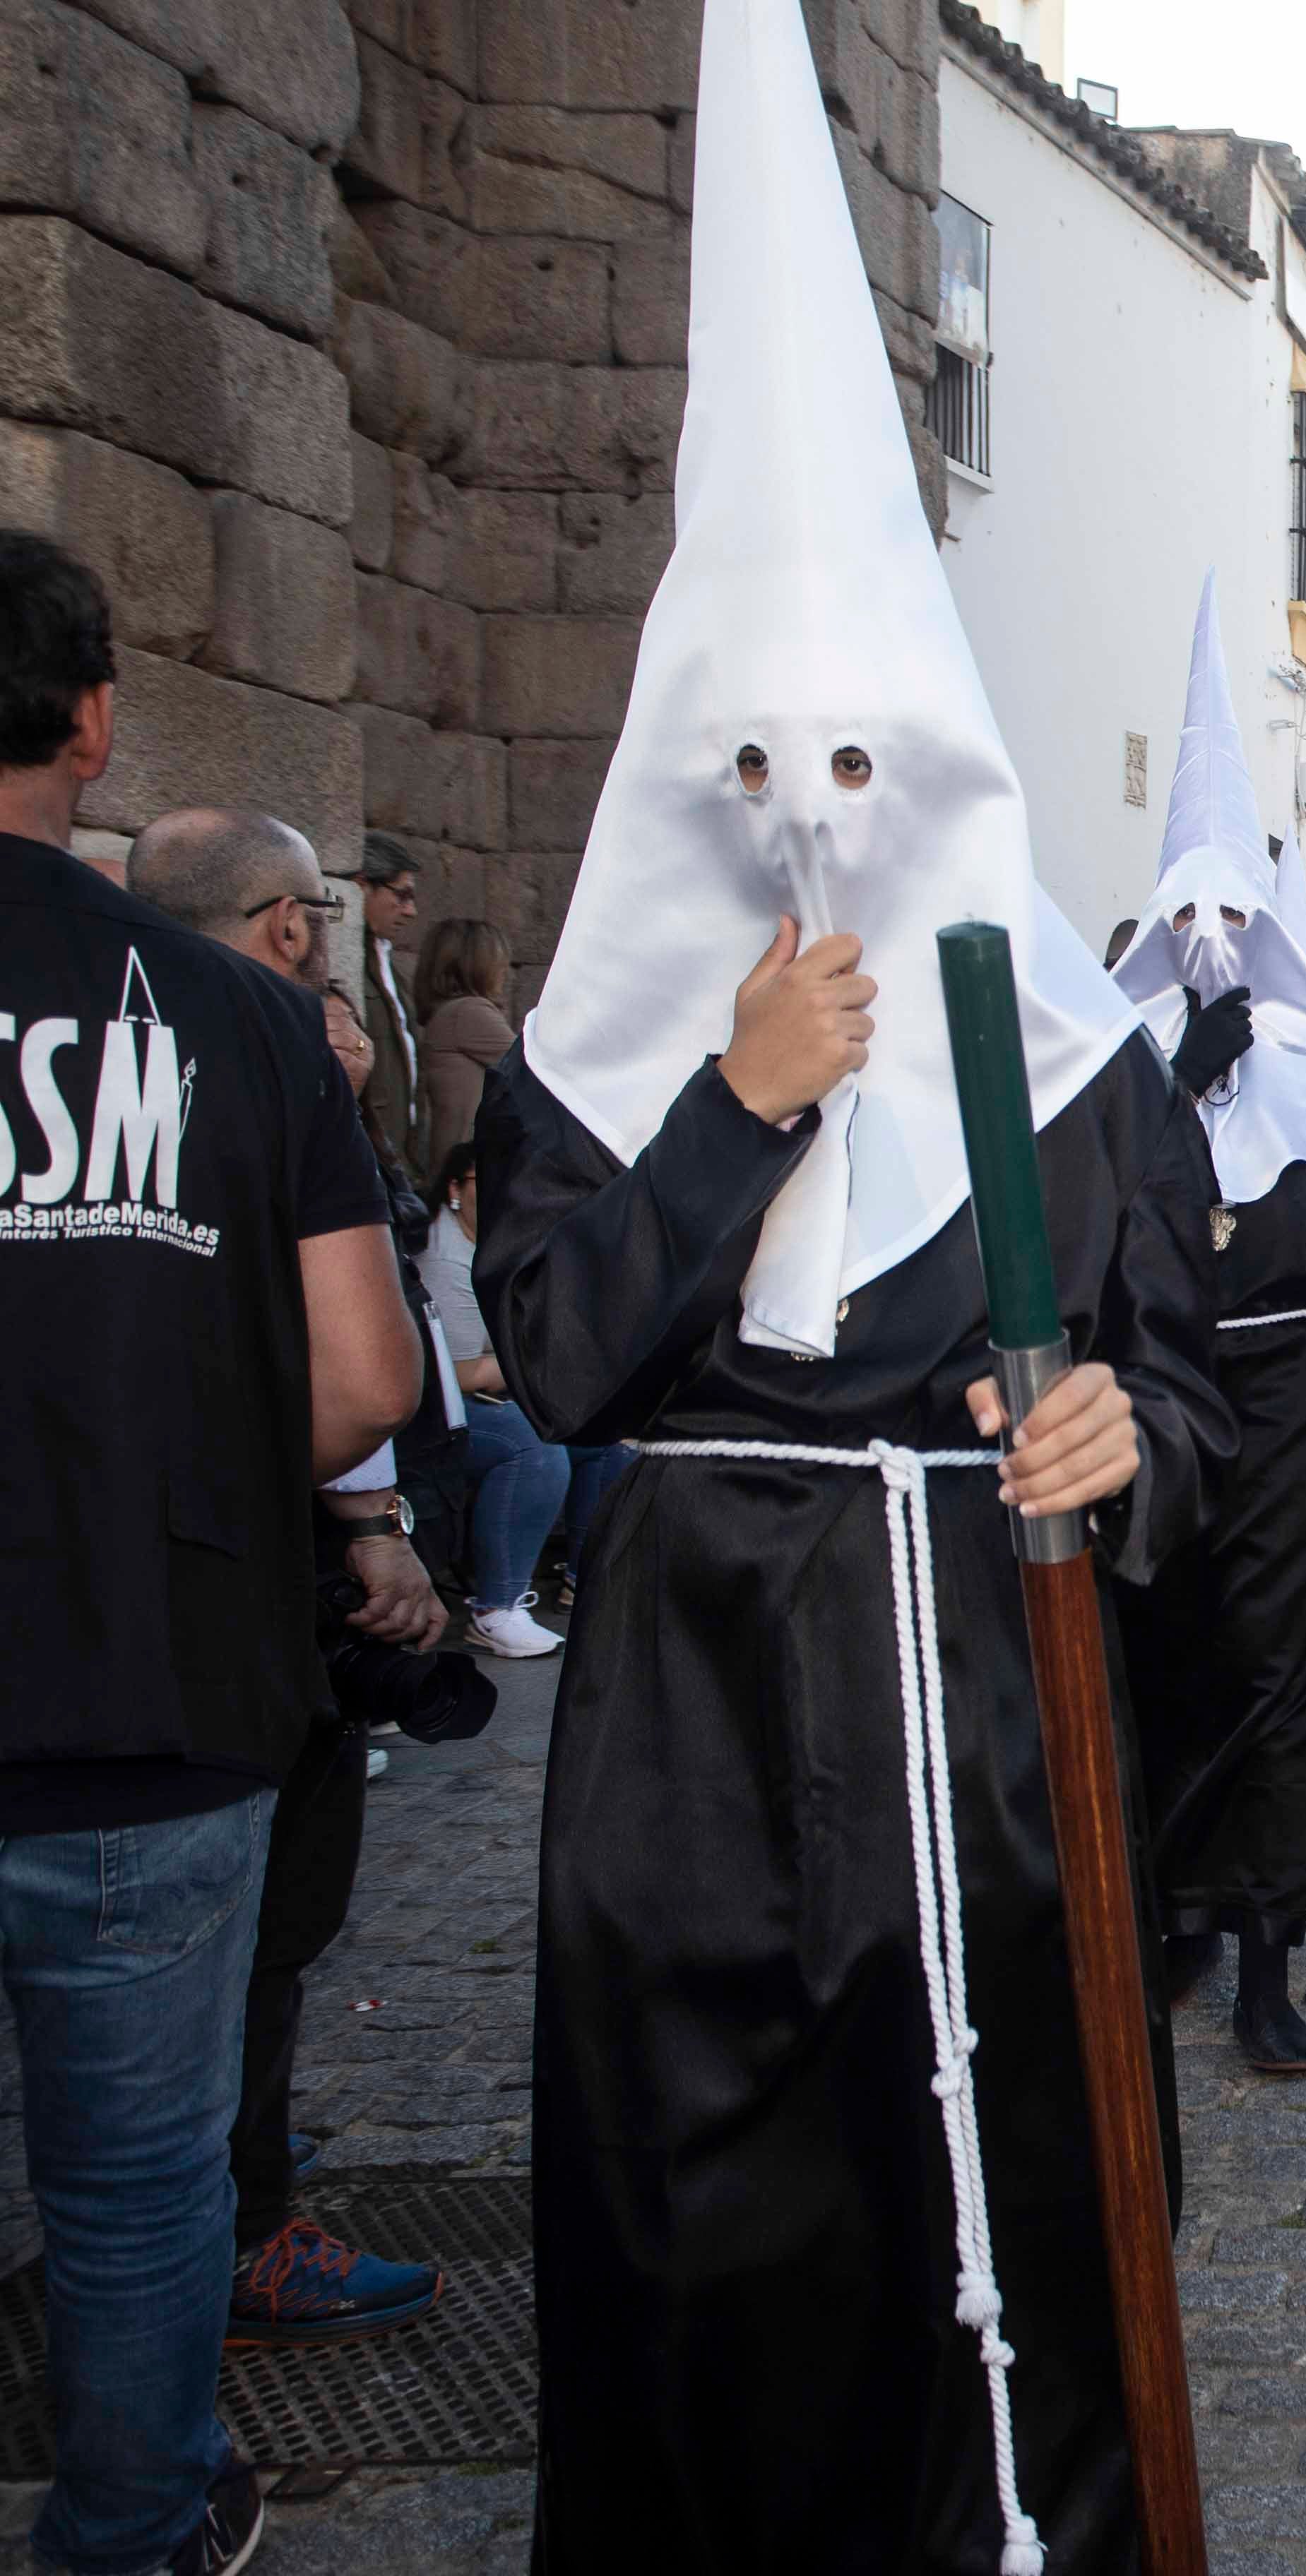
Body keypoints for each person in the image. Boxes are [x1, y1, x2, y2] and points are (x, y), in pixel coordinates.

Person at [475, 9, 1237, 2560]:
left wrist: (1125, 1442)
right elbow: (556, 1361)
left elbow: (1181, 1400)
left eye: (854, 767)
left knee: (996, 2234)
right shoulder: (598, 1059)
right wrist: (735, 1102)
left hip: (982, 1711)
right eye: (750, 768)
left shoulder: (1077, 1072)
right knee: (699, 2257)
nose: (806, 825)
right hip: (682, 1743)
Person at [1, 530, 417, 2576]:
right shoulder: (248, 1024)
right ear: (95, 724)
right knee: (137, 2182)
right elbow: (364, 1380)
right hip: (149, 1682)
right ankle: (135, 2522)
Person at [128, 816, 465, 2349]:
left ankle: (226, 2151)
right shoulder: (268, 1056)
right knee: (263, 1908)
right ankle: (246, 2213)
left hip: (123, 1552)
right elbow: (349, 1357)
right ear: (283, 925)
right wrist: (366, 1517)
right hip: (253, 1559)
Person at [1105, 576, 1306, 2079]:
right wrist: (1171, 1089)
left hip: (1292, 1378)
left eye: (1238, 913)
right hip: (1162, 1387)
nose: (1216, 940)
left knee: (1283, 1664)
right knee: (1167, 1643)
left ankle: (1269, 1949)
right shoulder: (1121, 1061)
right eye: (1191, 916)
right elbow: (1092, 1221)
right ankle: (1179, 1908)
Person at [424, 1145, 574, 1659]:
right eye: (482, 1180)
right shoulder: (445, 1257)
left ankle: (584, 1580)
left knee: (605, 1438)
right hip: (434, 1411)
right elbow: (462, 1374)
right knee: (533, 1448)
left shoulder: (505, 1239)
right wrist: (543, 1366)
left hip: (496, 1388)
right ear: (454, 1190)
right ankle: (496, 1610)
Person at [343, 831, 429, 1176]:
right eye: (402, 895)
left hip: (399, 1158)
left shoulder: (388, 967)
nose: (411, 911)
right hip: (365, 1157)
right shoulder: (346, 962)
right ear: (363, 887)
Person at [412, 915, 518, 1179]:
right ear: (477, 967)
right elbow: (532, 1066)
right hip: (469, 1174)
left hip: (456, 1169)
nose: (505, 972)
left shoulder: (449, 1012)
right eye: (498, 963)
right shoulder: (468, 1012)